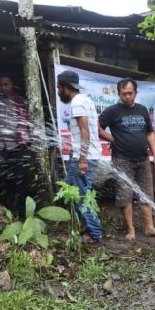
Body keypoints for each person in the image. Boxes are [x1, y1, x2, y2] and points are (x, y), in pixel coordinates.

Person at [98, 78, 155, 240]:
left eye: (130, 93)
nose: (127, 97)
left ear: (135, 93)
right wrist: (112, 139)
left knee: (146, 194)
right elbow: (97, 127)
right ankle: (131, 230)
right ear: (119, 94)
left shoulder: (142, 110)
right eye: (124, 94)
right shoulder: (112, 111)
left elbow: (149, 133)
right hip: (122, 160)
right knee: (124, 195)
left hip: (143, 159)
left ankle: (149, 227)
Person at [57, 70, 103, 243]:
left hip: (85, 157)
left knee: (81, 196)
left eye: (58, 87)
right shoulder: (86, 100)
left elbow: (85, 131)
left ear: (65, 87)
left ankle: (95, 233)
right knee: (69, 188)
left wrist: (82, 159)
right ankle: (86, 226)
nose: (58, 91)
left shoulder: (77, 103)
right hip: (85, 154)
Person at [0, 75, 30, 213]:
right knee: (0, 178)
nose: (3, 88)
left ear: (12, 84)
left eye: (6, 84)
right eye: (0, 85)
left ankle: (21, 210)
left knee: (20, 178)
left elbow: (27, 123)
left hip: (17, 146)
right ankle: (3, 209)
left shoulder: (19, 101)